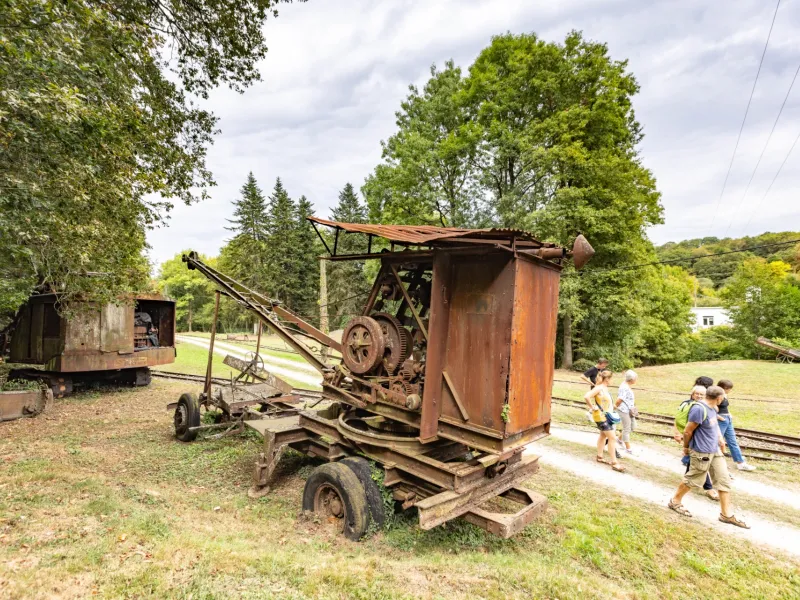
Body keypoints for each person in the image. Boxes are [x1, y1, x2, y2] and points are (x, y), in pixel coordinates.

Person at [668, 385, 750, 528]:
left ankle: (726, 515)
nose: (724, 399)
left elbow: (714, 425)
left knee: (723, 480)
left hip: (715, 450)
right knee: (693, 479)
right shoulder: (699, 409)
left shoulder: (714, 408)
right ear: (718, 398)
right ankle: (675, 501)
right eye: (723, 396)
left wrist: (720, 439)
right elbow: (688, 431)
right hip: (701, 451)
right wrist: (686, 448)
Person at [675, 384, 718, 500]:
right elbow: (678, 420)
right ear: (692, 394)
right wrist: (679, 436)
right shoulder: (693, 407)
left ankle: (687, 482)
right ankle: (708, 488)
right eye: (696, 393)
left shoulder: (707, 406)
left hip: (697, 440)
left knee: (693, 463)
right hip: (694, 440)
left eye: (701, 394)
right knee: (699, 465)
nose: (699, 396)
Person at [584, 370, 625, 473]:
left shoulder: (605, 388)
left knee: (603, 436)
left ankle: (600, 456)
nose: (612, 380)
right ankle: (614, 462)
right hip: (601, 417)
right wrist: (592, 407)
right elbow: (586, 396)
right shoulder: (599, 388)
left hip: (606, 416)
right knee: (612, 438)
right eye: (611, 378)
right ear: (607, 379)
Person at [717, 379, 756, 472]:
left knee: (732, 441)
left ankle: (740, 463)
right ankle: (713, 463)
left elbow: (724, 407)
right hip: (721, 420)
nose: (729, 390)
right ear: (723, 388)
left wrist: (729, 414)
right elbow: (710, 407)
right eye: (728, 388)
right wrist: (718, 417)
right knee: (716, 441)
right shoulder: (717, 395)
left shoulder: (724, 395)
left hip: (727, 419)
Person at [615, 370, 638, 454]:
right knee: (627, 429)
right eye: (636, 378)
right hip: (624, 410)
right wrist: (615, 407)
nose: (636, 380)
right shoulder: (624, 387)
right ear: (631, 379)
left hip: (630, 410)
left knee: (632, 426)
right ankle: (628, 448)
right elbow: (619, 399)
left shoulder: (626, 385)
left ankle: (619, 439)